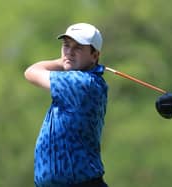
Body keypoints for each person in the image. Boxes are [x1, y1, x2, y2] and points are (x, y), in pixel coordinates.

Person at [24, 23, 109, 187]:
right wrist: (67, 60)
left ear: (94, 55)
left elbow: (31, 72)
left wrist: (63, 61)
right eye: (66, 45)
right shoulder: (85, 80)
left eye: (78, 48)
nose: (69, 51)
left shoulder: (81, 83)